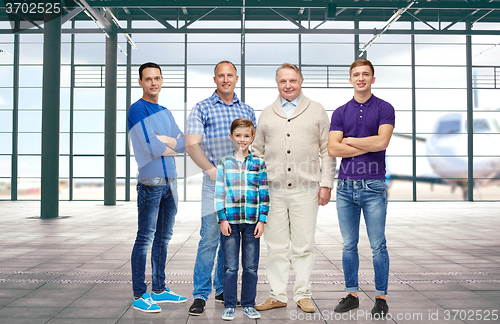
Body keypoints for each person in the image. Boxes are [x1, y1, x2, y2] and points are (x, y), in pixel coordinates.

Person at [252, 63, 335, 313]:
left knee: (303, 245)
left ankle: (303, 294)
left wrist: (326, 184)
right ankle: (277, 294)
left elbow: (327, 149)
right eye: (282, 81)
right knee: (275, 245)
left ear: (301, 81)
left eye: (293, 80)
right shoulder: (267, 113)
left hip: (307, 188)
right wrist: (255, 185)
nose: (288, 85)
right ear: (277, 83)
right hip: (272, 190)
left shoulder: (317, 110)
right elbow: (256, 150)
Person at [185, 61, 257, 316]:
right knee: (209, 239)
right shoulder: (202, 108)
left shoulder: (247, 109)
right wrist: (212, 171)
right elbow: (191, 144)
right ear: (214, 79)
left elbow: (252, 145)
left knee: (230, 238)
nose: (226, 79)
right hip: (214, 183)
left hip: (242, 187)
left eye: (230, 75)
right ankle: (200, 295)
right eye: (221, 76)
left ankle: (221, 290)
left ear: (236, 78)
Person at [328, 59, 395, 317]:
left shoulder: (384, 108)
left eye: (365, 74)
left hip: (373, 185)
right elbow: (333, 148)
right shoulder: (340, 112)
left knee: (378, 245)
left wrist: (352, 140)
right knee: (348, 245)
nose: (361, 78)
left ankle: (380, 297)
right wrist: (369, 143)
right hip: (345, 186)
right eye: (356, 74)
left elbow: (382, 142)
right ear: (350, 79)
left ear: (373, 79)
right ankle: (352, 294)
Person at [127, 62, 187, 313]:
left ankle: (160, 289)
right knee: (145, 238)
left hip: (170, 181)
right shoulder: (137, 109)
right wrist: (168, 145)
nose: (153, 82)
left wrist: (167, 142)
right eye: (148, 78)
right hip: (150, 182)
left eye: (157, 78)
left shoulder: (165, 112)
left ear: (162, 81)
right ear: (140, 82)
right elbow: (151, 147)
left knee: (164, 237)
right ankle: (140, 294)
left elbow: (185, 144)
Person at [215, 118, 269, 321]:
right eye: (238, 135)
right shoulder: (224, 163)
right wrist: (222, 218)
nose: (242, 139)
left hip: (252, 222)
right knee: (230, 267)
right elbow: (219, 192)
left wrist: (262, 219)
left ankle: (248, 304)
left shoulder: (259, 163)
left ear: (252, 137)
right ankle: (229, 305)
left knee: (251, 267)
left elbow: (264, 192)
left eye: (246, 136)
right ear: (231, 137)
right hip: (230, 220)